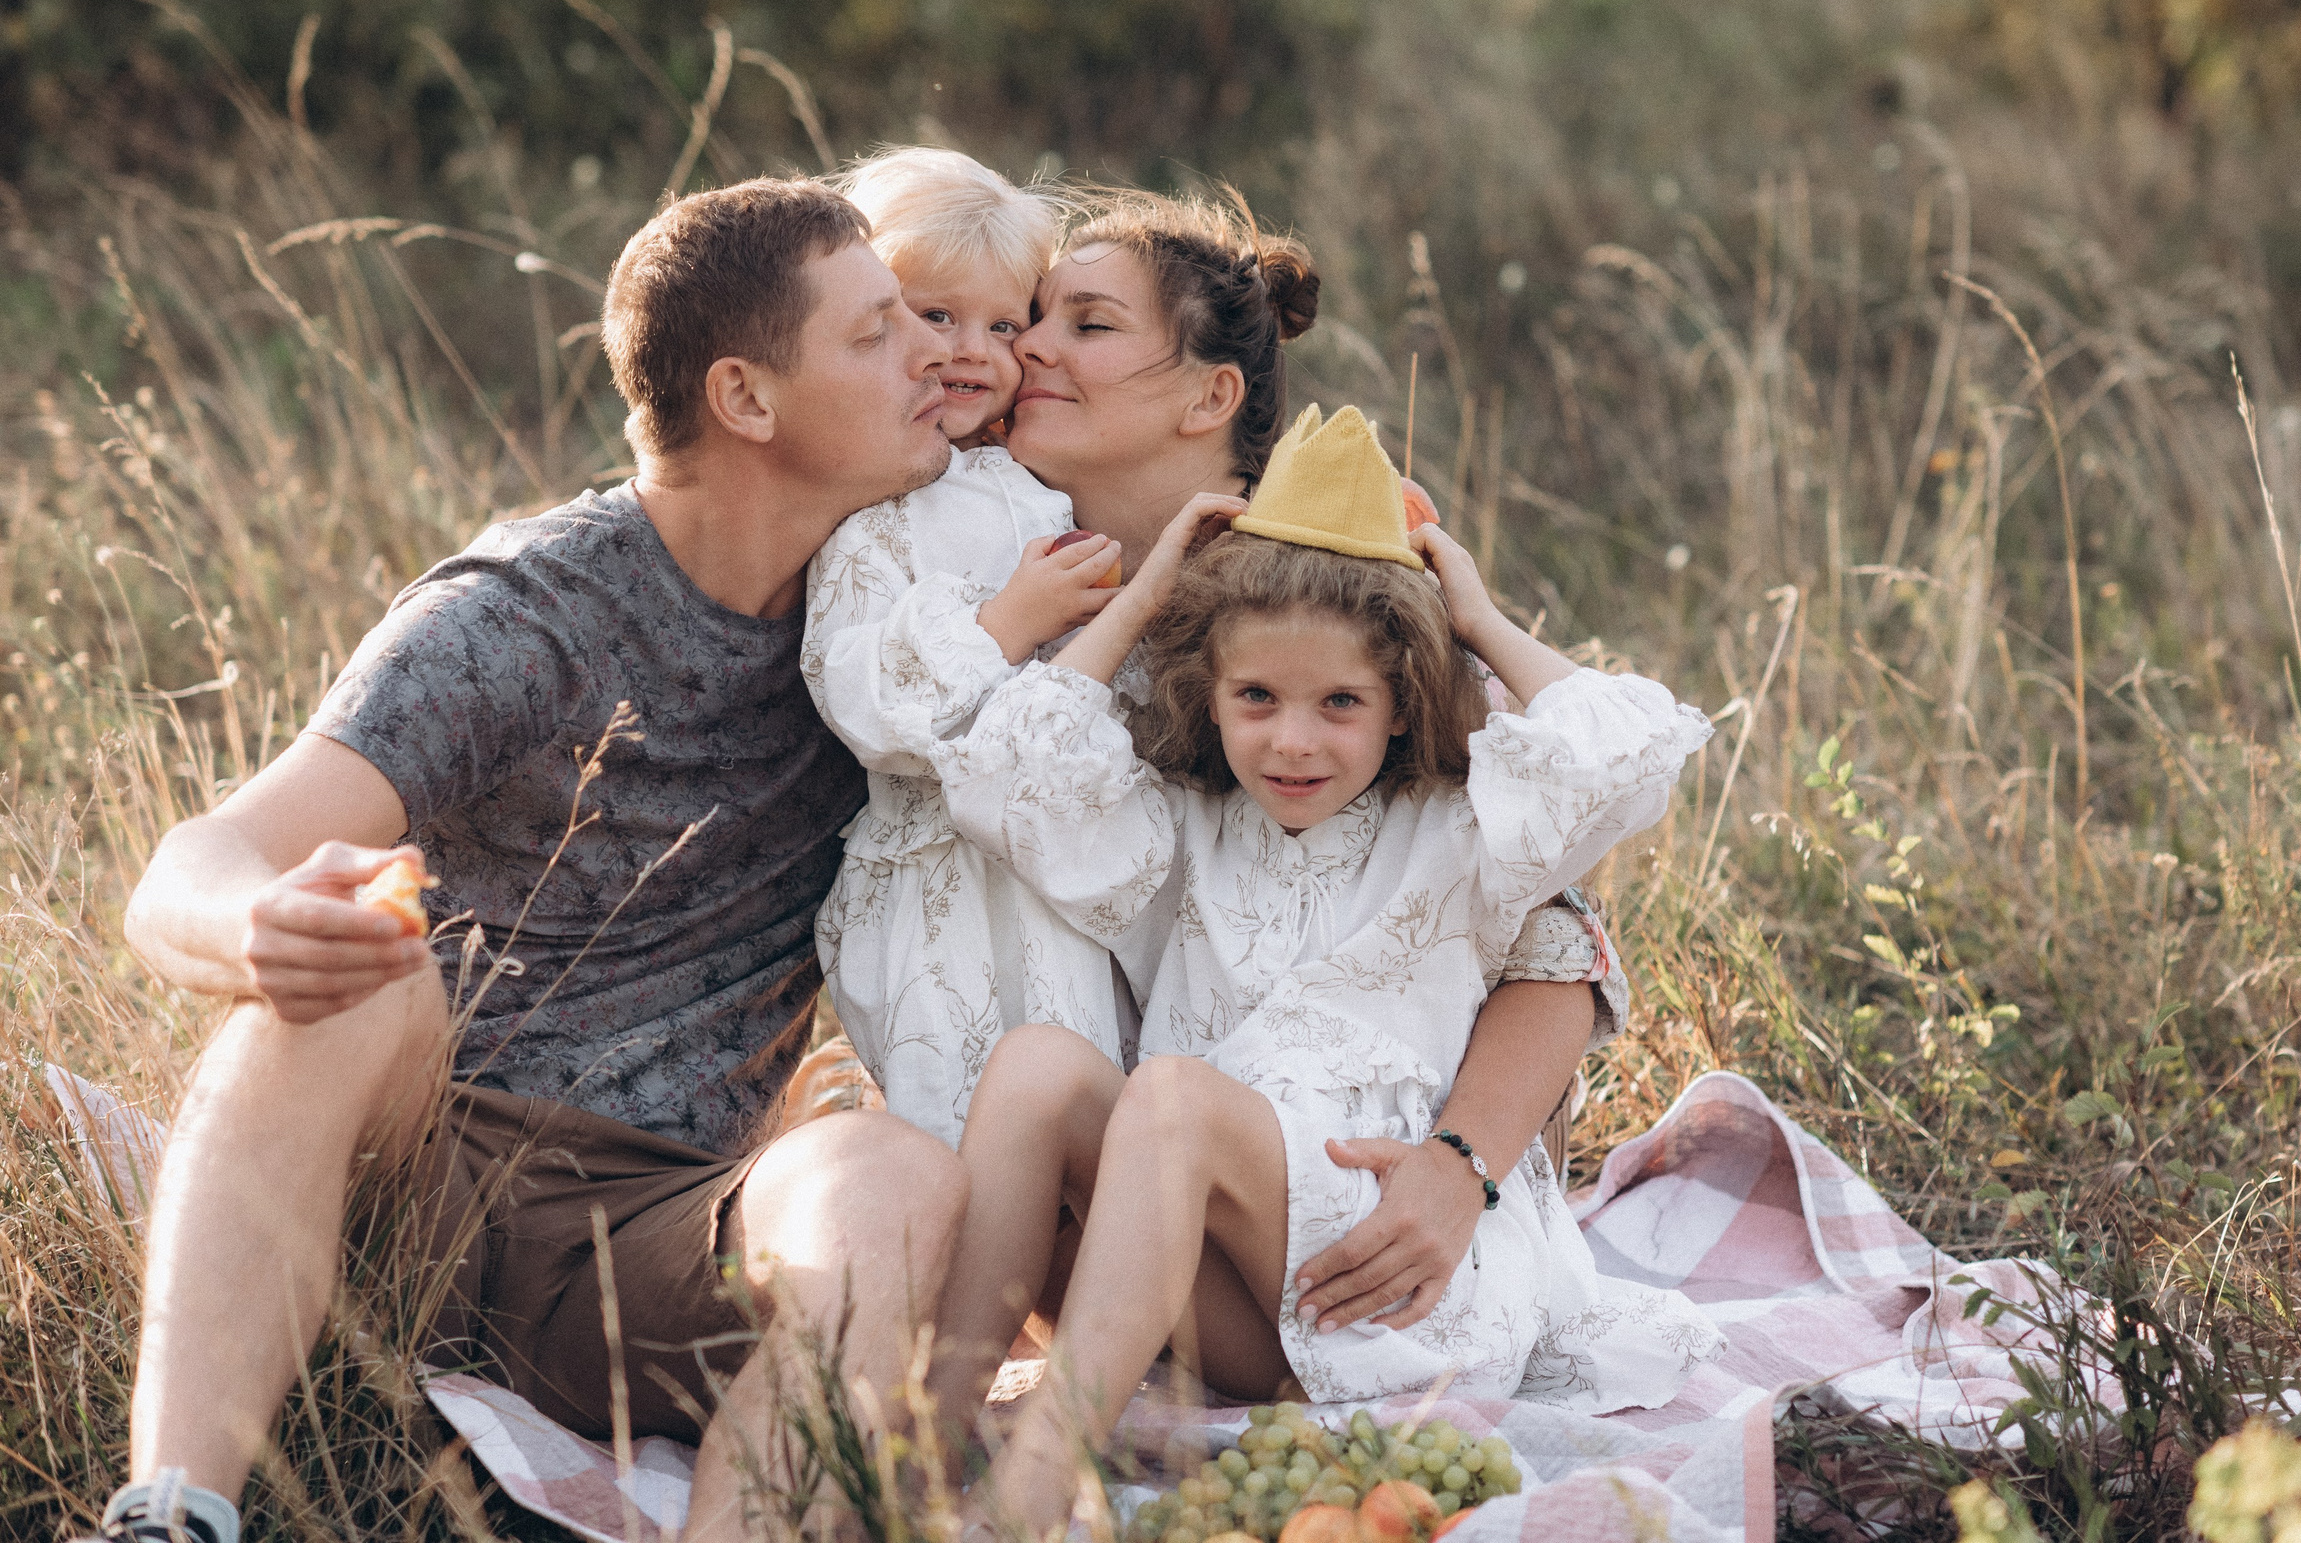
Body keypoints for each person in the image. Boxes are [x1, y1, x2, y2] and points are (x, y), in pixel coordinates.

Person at [88, 179, 970, 1543]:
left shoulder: (900, 622)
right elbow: (190, 868)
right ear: (746, 398)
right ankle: (170, 1515)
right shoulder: (529, 614)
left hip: (655, 1241)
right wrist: (258, 924)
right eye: (876, 333)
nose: (933, 351)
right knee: (361, 984)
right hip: (413, 1179)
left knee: (888, 1174)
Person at [938, 409, 1726, 1535]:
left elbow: (1626, 750)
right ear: (1208, 694)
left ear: (1401, 699)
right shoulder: (1180, 828)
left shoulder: (1461, 828)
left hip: (1395, 1271)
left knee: (1171, 1097)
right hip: (1235, 1283)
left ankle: (1030, 1491)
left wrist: (1476, 615)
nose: (1291, 742)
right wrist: (1145, 594)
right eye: (1255, 697)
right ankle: (915, 1434)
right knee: (1037, 1069)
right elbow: (1004, 774)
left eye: (1339, 704)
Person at [799, 146, 1129, 1146]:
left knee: (1081, 1079)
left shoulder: (1035, 481)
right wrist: (1004, 625)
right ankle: (949, 1278)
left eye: (1005, 322)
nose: (973, 352)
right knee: (955, 1101)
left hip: (1055, 858)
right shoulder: (870, 511)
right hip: (937, 875)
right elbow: (857, 695)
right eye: (935, 316)